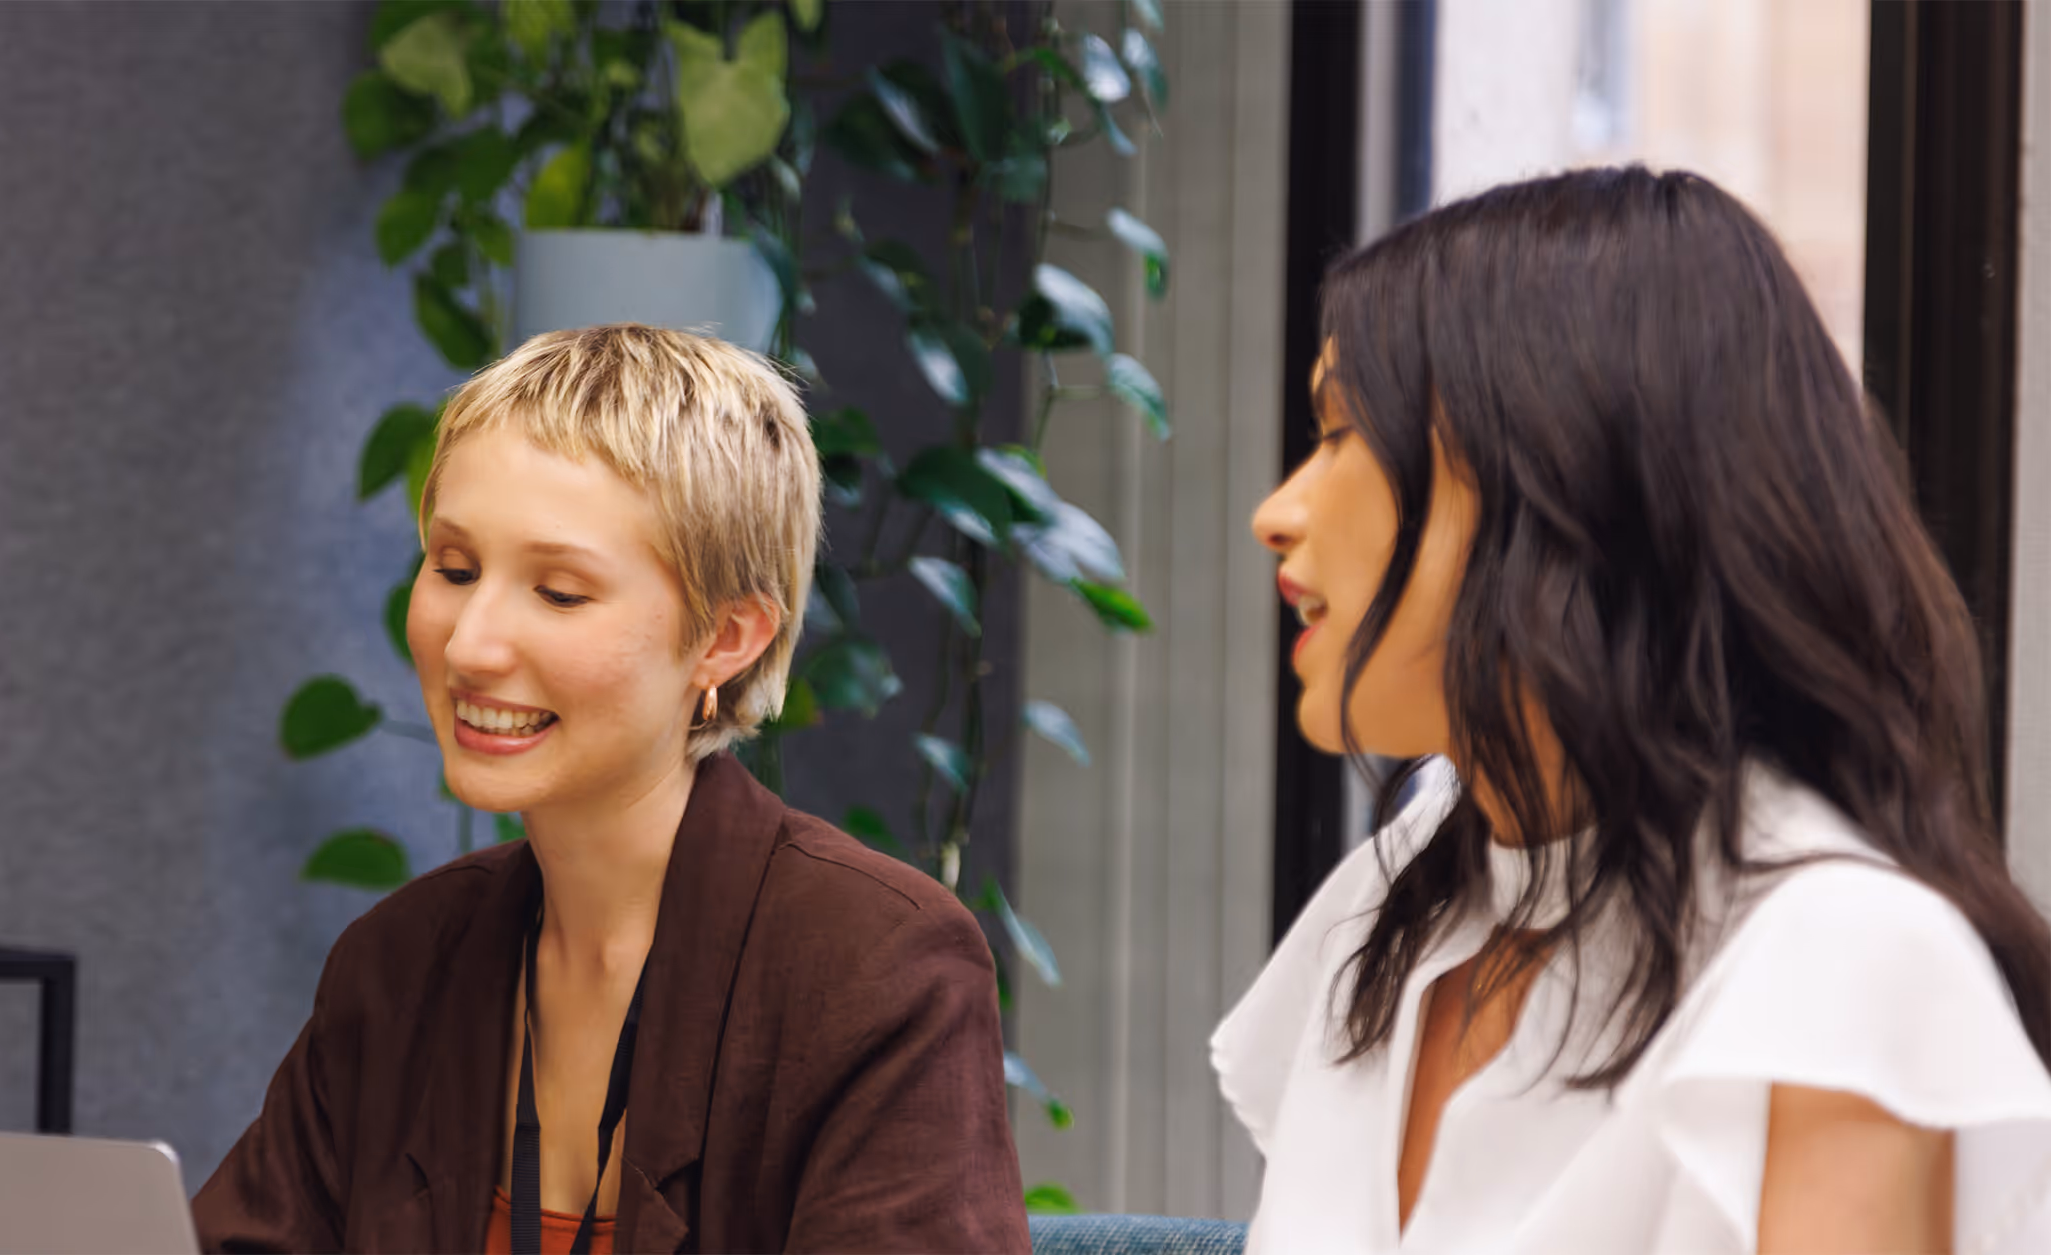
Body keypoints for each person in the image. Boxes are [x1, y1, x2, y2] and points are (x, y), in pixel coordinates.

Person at [1223, 166, 2051, 1253]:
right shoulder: (1400, 899)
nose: (1274, 513)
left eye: (1338, 435)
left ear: (1551, 469)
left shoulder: (1845, 959)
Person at [192, 325, 1026, 1253]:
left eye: (558, 592)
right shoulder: (399, 964)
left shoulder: (876, 966)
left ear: (726, 637)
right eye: (455, 569)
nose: (468, 644)